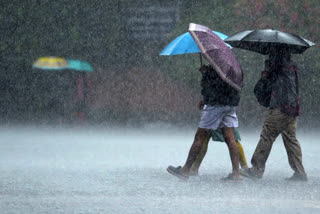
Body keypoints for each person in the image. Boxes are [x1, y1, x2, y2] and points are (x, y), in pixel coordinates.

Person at [241, 48, 307, 181]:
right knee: (291, 139)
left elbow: (265, 83)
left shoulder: (277, 66)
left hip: (280, 108)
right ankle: (300, 172)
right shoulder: (292, 66)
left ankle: (256, 170)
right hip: (293, 108)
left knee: (267, 135)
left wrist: (267, 69)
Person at [167, 64, 242, 180]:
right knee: (230, 138)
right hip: (230, 104)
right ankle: (236, 173)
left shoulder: (215, 67)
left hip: (215, 105)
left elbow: (212, 87)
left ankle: (185, 170)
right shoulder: (234, 66)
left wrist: (205, 74)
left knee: (200, 137)